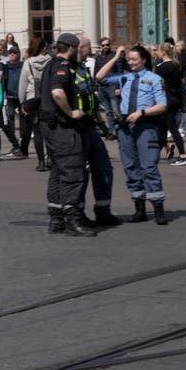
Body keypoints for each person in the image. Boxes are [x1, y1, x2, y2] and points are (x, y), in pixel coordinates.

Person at [96, 44, 170, 225]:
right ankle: (139, 209)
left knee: (149, 168)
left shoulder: (154, 79)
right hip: (126, 128)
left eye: (135, 59)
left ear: (143, 59)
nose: (131, 62)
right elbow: (99, 77)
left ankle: (158, 209)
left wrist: (142, 113)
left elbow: (162, 105)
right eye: (129, 59)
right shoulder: (124, 77)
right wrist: (116, 57)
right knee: (131, 168)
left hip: (146, 127)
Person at [35, 33, 96, 237]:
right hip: (62, 127)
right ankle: (72, 220)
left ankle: (56, 219)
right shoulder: (62, 65)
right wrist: (71, 113)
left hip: (49, 125)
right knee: (72, 171)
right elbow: (57, 92)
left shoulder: (50, 64)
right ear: (70, 48)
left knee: (57, 171)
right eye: (76, 48)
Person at [74, 36, 121, 227]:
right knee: (80, 172)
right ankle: (77, 213)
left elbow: (96, 84)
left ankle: (103, 211)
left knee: (103, 168)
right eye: (88, 48)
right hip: (76, 127)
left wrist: (103, 127)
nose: (90, 52)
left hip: (91, 126)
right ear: (80, 48)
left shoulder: (83, 68)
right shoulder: (69, 69)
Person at [17, 37, 52, 172]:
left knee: (37, 131)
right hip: (47, 98)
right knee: (49, 129)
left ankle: (41, 162)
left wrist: (22, 102)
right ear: (44, 47)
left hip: (32, 98)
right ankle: (50, 158)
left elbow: (22, 84)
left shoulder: (28, 63)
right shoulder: (50, 61)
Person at [154, 41, 186, 165]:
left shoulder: (161, 67)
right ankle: (153, 156)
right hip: (176, 98)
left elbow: (156, 84)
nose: (157, 53)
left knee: (172, 128)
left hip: (166, 99)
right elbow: (180, 82)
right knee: (163, 128)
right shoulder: (176, 64)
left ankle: (183, 155)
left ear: (163, 52)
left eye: (158, 50)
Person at [91, 36, 121, 139]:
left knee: (116, 111)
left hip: (113, 87)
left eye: (107, 45)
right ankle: (112, 132)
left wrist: (118, 87)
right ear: (100, 46)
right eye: (103, 45)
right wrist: (95, 88)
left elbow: (119, 72)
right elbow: (96, 73)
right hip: (102, 87)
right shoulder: (98, 58)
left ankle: (121, 131)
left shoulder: (114, 56)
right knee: (108, 112)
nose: (105, 47)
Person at [0, 47, 23, 153]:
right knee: (9, 120)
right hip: (9, 96)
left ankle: (23, 142)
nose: (12, 54)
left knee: (23, 120)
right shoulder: (6, 66)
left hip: (21, 96)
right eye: (10, 52)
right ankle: (15, 144)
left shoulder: (23, 65)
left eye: (15, 52)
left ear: (19, 54)